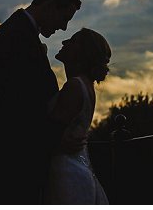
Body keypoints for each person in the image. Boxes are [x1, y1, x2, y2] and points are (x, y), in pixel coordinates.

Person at [0, 0, 82, 204]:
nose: (63, 27)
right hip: (12, 160)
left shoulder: (17, 33)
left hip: (10, 155)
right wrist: (56, 139)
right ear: (50, 6)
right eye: (64, 18)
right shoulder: (18, 37)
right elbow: (21, 109)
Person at [44, 28, 112, 204]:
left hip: (67, 174)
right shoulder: (85, 85)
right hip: (78, 168)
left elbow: (50, 133)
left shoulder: (74, 86)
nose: (64, 42)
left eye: (72, 41)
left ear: (82, 53)